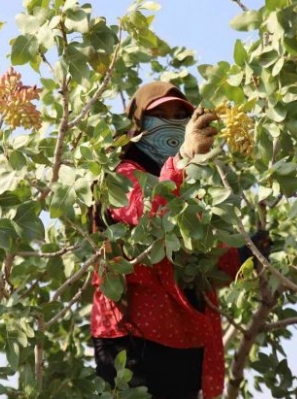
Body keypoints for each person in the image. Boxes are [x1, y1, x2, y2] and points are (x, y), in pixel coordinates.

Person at [90, 81, 244, 399]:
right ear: (138, 125)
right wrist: (185, 156)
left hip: (186, 343)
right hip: (133, 340)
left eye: (179, 115)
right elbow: (152, 218)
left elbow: (204, 263)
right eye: (160, 114)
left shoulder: (190, 188)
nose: (172, 122)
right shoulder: (120, 175)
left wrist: (247, 254)